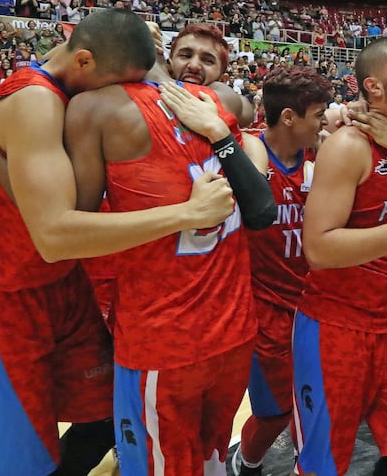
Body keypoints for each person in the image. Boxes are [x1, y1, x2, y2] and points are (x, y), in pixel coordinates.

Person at [0, 9, 236, 476]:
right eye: (115, 86)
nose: (121, 99)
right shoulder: (35, 99)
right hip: (2, 292)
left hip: (65, 286)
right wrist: (188, 214)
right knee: (18, 462)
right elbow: (54, 235)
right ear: (86, 64)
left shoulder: (75, 77)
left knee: (110, 412)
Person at [63, 29, 275, 475]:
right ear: (163, 57)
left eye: (207, 59)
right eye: (185, 54)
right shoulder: (220, 106)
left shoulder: (220, 113)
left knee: (180, 452)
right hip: (171, 319)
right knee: (180, 449)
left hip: (175, 334)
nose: (194, 65)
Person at [293, 36, 387, 476]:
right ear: (374, 88)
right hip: (336, 329)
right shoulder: (349, 147)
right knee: (323, 467)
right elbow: (319, 248)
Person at [235, 66, 333, 476]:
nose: (325, 121)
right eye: (318, 114)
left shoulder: (324, 156)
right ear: (289, 117)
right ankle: (247, 461)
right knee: (275, 412)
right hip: (265, 308)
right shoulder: (247, 155)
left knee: (317, 405)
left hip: (314, 304)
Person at [168, 22, 253, 127]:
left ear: (222, 78)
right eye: (185, 56)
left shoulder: (234, 102)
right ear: (169, 65)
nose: (194, 66)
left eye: (208, 61)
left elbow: (244, 109)